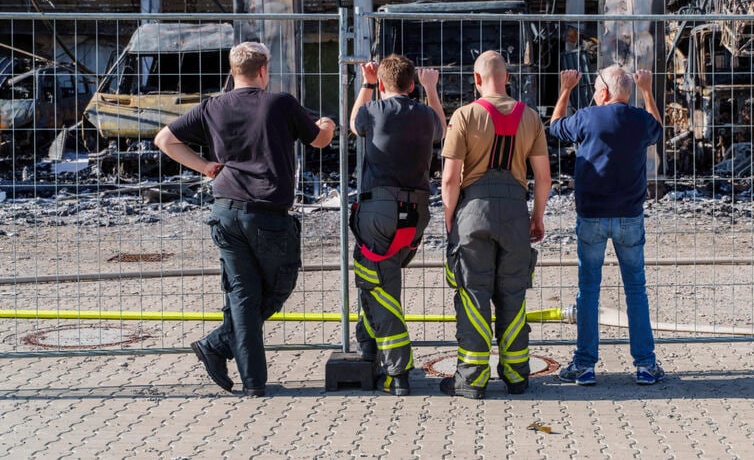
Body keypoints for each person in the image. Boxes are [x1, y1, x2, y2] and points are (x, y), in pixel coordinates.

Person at [154, 41, 335, 397]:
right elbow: (319, 140)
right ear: (264, 70)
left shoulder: (212, 107)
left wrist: (205, 166)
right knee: (279, 286)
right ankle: (218, 344)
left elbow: (165, 139)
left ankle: (249, 378)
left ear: (233, 70)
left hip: (225, 210)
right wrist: (326, 122)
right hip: (267, 214)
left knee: (242, 295)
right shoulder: (279, 103)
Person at [440, 50, 551, 399]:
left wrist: (451, 223)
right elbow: (544, 178)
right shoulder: (531, 117)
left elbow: (449, 179)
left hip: (473, 213)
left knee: (473, 295)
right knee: (513, 295)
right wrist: (536, 217)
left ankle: (471, 379)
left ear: (476, 79)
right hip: (516, 215)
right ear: (507, 78)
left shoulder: (465, 115)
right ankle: (517, 375)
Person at [549, 65, 666, 386]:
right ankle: (645, 364)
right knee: (636, 290)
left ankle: (584, 364)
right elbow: (658, 128)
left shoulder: (587, 117)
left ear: (603, 92)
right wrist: (647, 91)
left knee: (588, 291)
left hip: (592, 216)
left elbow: (555, 127)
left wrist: (566, 88)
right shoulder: (640, 120)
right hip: (630, 216)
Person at [349, 55, 446, 397]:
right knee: (377, 280)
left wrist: (366, 84)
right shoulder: (424, 115)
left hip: (380, 210)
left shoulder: (374, 111)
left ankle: (398, 370)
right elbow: (441, 129)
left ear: (385, 85)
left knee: (380, 287)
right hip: (416, 212)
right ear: (413, 84)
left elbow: (353, 123)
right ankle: (368, 349)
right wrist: (432, 89)